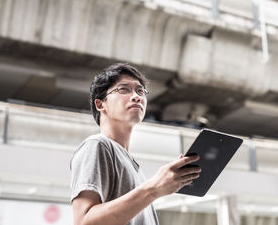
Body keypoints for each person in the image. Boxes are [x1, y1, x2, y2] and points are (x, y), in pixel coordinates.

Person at [70, 63, 201, 225]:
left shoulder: (133, 165)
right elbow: (84, 222)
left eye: (140, 91)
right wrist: (154, 188)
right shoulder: (97, 145)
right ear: (100, 104)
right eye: (124, 89)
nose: (136, 96)